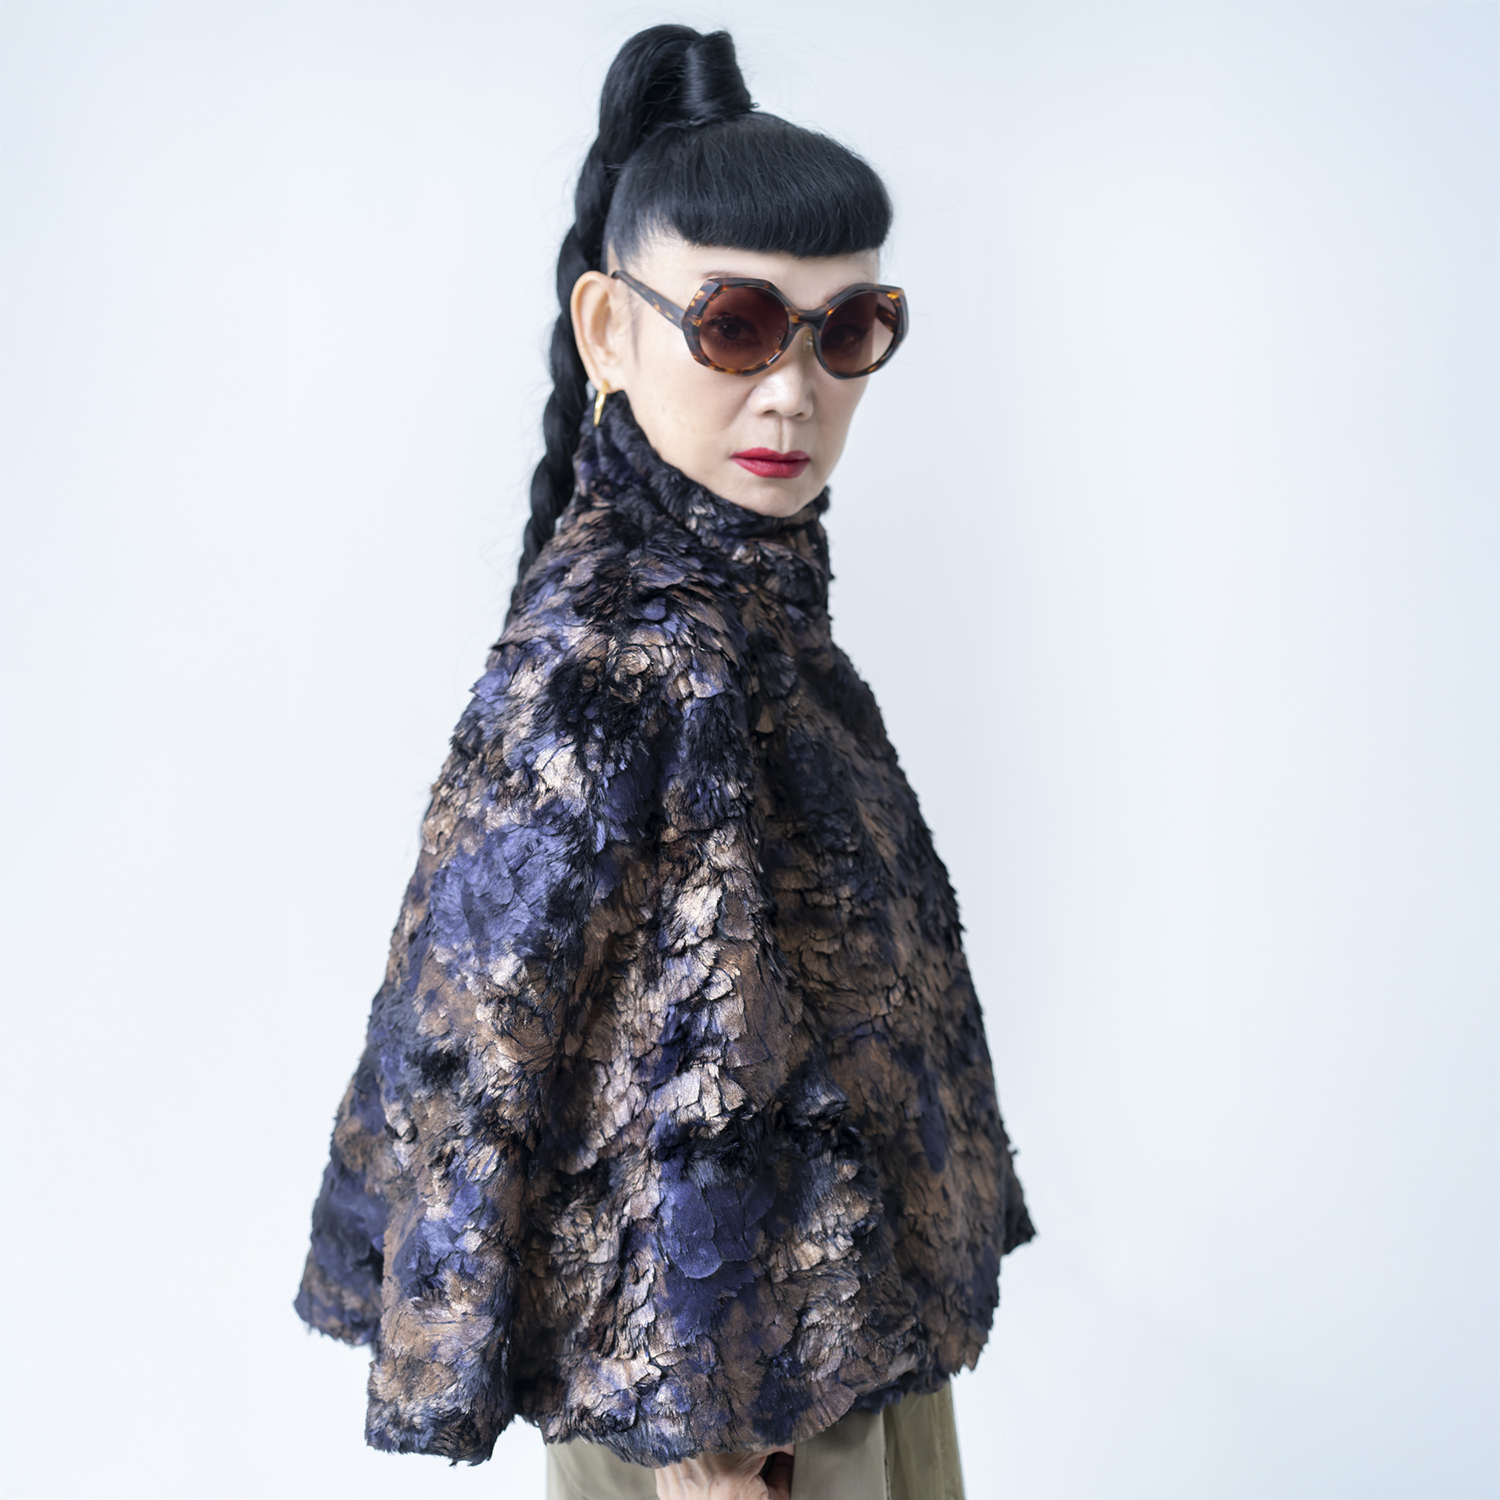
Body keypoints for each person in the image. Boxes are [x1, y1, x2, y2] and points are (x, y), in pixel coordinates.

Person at [294, 25, 1033, 1500]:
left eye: (847, 330)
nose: (795, 391)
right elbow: (495, 1046)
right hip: (732, 1414)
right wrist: (701, 1445)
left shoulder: (746, 608)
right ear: (608, 329)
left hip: (826, 1349)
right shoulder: (621, 649)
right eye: (738, 326)